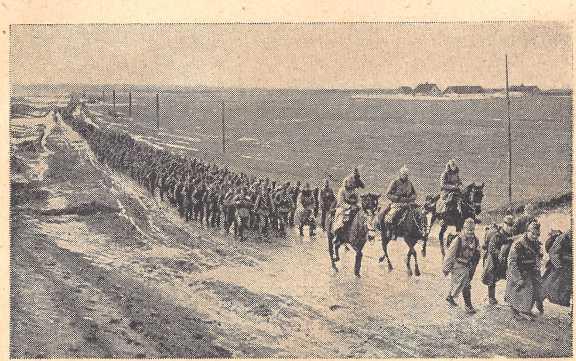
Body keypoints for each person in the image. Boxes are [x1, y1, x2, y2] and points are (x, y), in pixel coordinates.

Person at [505, 221, 544, 320]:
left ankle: (526, 310)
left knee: (535, 289)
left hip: (530, 270)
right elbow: (512, 262)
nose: (535, 236)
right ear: (527, 232)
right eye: (533, 233)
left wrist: (537, 266)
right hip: (518, 271)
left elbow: (537, 256)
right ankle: (516, 311)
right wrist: (518, 278)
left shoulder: (535, 243)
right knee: (519, 290)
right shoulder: (518, 244)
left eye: (537, 234)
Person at [443, 218, 481, 314]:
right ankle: (468, 306)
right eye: (468, 230)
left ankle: (450, 296)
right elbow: (450, 255)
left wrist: (474, 264)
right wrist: (446, 269)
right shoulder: (458, 240)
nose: (470, 232)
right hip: (457, 264)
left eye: (472, 230)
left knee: (462, 283)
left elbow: (478, 253)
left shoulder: (476, 240)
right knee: (466, 283)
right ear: (464, 229)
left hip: (468, 265)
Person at [481, 215, 514, 305]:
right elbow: (491, 248)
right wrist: (499, 253)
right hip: (493, 259)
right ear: (504, 224)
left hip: (504, 259)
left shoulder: (511, 234)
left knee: (510, 276)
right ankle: (491, 298)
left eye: (511, 225)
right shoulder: (497, 235)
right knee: (491, 277)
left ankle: (509, 297)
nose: (510, 227)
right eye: (508, 225)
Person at [382, 166, 417, 238]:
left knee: (417, 213)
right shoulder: (395, 182)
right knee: (391, 215)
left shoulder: (409, 183)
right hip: (397, 204)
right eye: (403, 174)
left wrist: (410, 198)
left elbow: (414, 194)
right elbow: (388, 194)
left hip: (408, 204)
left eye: (406, 175)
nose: (405, 176)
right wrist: (397, 198)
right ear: (400, 174)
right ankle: (389, 231)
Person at [542, 230, 572, 308]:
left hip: (568, 264)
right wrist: (558, 266)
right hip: (559, 263)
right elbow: (553, 252)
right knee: (552, 281)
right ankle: (551, 297)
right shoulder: (562, 238)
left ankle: (562, 300)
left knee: (567, 283)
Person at [332, 168, 365, 239]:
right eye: (349, 185)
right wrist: (349, 206)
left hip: (354, 207)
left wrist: (358, 205)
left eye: (352, 185)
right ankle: (337, 232)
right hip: (343, 208)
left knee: (362, 215)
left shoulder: (355, 190)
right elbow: (341, 202)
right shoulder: (342, 191)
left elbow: (359, 200)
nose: (350, 187)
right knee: (340, 215)